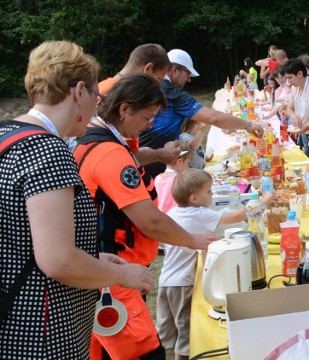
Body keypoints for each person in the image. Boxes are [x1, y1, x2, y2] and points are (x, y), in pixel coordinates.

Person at [0, 40, 153, 359]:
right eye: (97, 97)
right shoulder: (48, 150)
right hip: (41, 334)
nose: (96, 107)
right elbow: (58, 260)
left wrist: (95, 257)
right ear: (79, 90)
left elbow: (21, 236)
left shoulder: (8, 136)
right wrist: (126, 275)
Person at [73, 74, 215, 359]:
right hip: (113, 277)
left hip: (100, 272)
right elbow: (149, 220)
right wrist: (191, 239)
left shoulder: (97, 135)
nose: (150, 125)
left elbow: (131, 158)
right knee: (145, 353)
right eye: (147, 117)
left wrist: (159, 154)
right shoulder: (109, 153)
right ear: (124, 109)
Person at [156, 169, 250, 360]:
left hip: (166, 280)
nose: (212, 194)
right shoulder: (200, 213)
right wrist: (262, 202)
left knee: (166, 332)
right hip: (182, 283)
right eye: (208, 191)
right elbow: (235, 218)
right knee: (186, 334)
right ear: (194, 198)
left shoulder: (173, 212)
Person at [139, 49, 263, 177]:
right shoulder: (173, 93)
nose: (189, 80)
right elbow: (213, 118)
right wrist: (247, 125)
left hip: (142, 155)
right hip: (154, 164)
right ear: (174, 69)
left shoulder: (150, 85)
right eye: (188, 74)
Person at [95, 44, 181, 167]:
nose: (159, 85)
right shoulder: (115, 94)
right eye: (159, 78)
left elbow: (129, 152)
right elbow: (118, 158)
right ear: (148, 68)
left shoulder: (102, 87)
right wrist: (158, 155)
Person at [156, 140, 193, 214]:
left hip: (161, 219)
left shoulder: (157, 178)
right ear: (180, 161)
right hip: (176, 220)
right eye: (188, 162)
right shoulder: (180, 180)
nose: (188, 166)